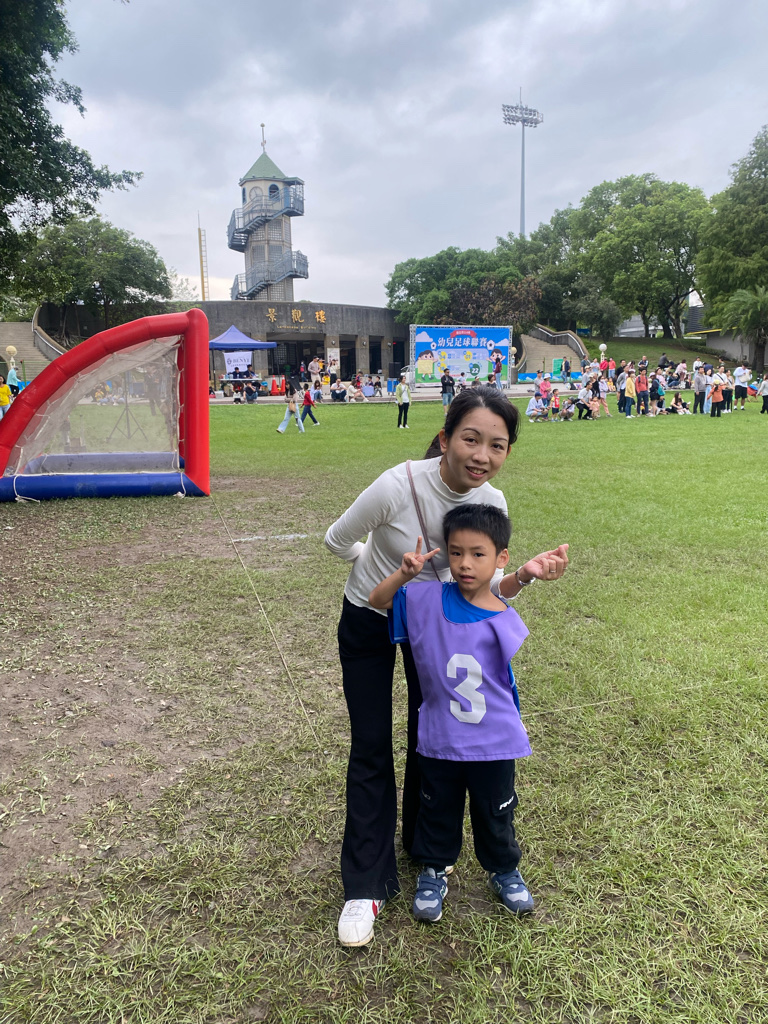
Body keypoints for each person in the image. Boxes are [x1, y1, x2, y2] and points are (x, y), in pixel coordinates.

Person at [324, 386, 569, 947]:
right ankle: (365, 885)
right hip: (370, 614)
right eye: (470, 439)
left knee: (429, 734)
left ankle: (424, 850)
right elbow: (337, 540)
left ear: (507, 451)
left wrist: (525, 575)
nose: (481, 455)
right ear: (445, 437)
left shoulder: (493, 502)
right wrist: (382, 567)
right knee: (370, 744)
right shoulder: (397, 485)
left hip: (436, 628)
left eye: (496, 445)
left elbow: (486, 585)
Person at [368, 505, 540, 923]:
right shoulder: (424, 598)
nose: (465, 563)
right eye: (457, 552)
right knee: (437, 809)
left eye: (478, 554)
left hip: (493, 741)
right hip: (440, 738)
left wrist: (524, 576)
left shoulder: (504, 614)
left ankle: (504, 869)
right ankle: (433, 870)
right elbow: (377, 599)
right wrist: (404, 573)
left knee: (496, 810)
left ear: (500, 557)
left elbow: (503, 681)